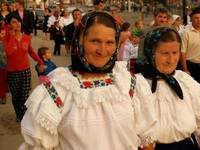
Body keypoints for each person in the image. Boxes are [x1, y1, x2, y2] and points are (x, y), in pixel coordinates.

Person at [19, 11, 157, 150]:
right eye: (95, 41)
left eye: (109, 42)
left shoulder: (129, 84)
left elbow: (146, 141)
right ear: (80, 40)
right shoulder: (57, 89)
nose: (103, 50)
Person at [136, 26, 200, 150]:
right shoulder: (139, 85)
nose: (171, 60)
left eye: (175, 53)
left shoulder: (185, 82)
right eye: (165, 53)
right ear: (150, 54)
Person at [2, 14, 44, 122]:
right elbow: (9, 52)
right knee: (16, 96)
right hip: (12, 72)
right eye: (14, 22)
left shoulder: (26, 37)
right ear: (9, 25)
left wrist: (40, 62)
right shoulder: (5, 38)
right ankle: (18, 113)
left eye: (18, 21)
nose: (17, 24)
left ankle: (23, 116)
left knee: (24, 95)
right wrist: (12, 36)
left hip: (25, 70)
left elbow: (31, 52)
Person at [0, 26, 7, 104]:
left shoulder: (7, 43)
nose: (4, 35)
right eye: (2, 34)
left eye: (5, 34)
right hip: (1, 66)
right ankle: (3, 96)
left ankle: (3, 95)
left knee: (4, 82)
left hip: (6, 66)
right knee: (2, 82)